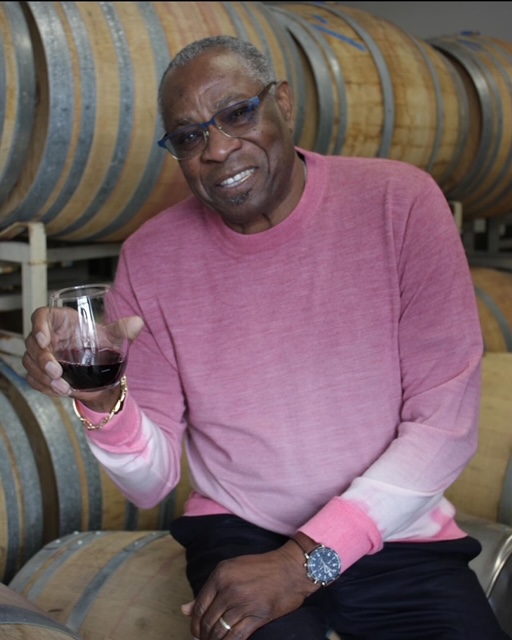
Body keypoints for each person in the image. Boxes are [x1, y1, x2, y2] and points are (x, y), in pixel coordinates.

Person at [22, 35, 509, 640]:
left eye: (237, 113)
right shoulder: (151, 257)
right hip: (240, 532)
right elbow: (151, 482)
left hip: (395, 530)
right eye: (189, 136)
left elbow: (444, 429)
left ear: (283, 103)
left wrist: (303, 562)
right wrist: (101, 399)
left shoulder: (400, 204)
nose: (218, 149)